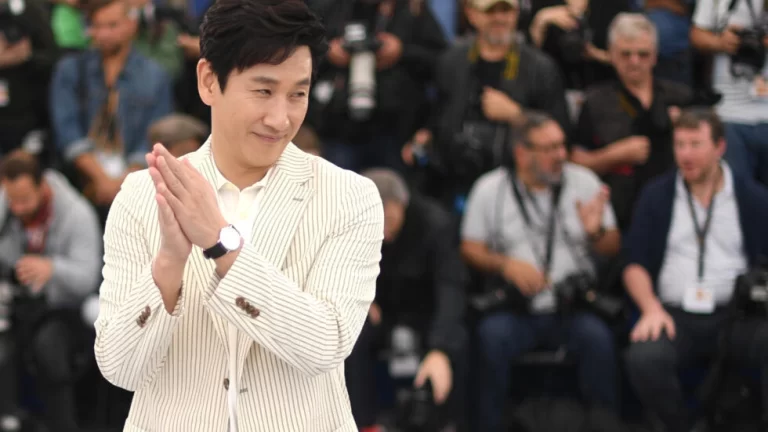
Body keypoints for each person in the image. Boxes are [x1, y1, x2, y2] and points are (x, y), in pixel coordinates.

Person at [93, 1, 384, 431]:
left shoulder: (349, 197)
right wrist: (169, 265)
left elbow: (325, 344)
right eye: (263, 91)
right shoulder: (142, 195)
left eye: (298, 94)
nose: (281, 118)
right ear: (209, 80)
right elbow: (120, 368)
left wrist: (220, 242)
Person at [461, 111, 621, 432]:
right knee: (489, 337)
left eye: (562, 146)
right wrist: (504, 264)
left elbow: (613, 246)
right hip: (516, 308)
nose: (560, 155)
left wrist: (596, 233)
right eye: (549, 149)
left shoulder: (583, 182)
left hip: (572, 306)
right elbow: (470, 247)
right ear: (522, 153)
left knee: (599, 340)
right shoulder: (490, 188)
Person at [623, 108, 768, 432]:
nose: (686, 155)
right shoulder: (656, 195)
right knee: (645, 357)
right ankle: (683, 426)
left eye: (695, 144)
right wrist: (650, 308)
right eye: (680, 145)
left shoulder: (752, 198)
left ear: (719, 147)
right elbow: (634, 264)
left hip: (737, 315)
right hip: (674, 315)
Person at [0, 150, 101, 432]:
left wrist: (53, 268)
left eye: (24, 199)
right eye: (11, 199)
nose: (17, 208)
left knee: (49, 348)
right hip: (17, 301)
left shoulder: (77, 214)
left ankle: (62, 426)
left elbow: (88, 278)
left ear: (42, 186)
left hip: (64, 308)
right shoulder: (6, 206)